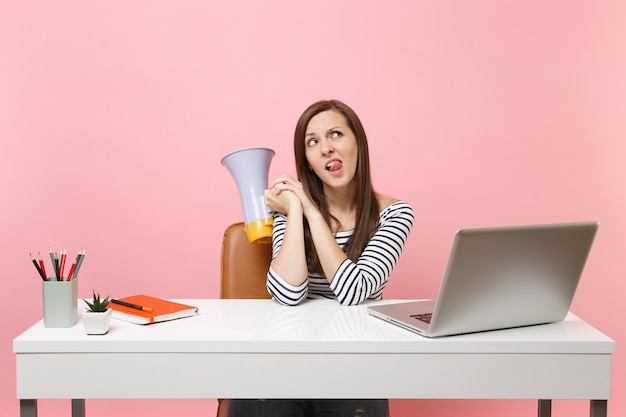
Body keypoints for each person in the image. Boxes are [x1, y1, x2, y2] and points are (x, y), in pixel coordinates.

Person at [227, 99, 414, 417]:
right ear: (308, 162)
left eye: (336, 134)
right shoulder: (290, 209)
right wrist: (298, 208)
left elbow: (353, 292)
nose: (326, 148)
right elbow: (288, 294)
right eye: (313, 142)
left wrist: (312, 212)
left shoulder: (394, 214)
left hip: (353, 365)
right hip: (286, 360)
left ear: (358, 143)